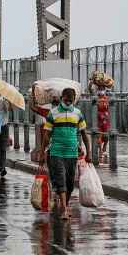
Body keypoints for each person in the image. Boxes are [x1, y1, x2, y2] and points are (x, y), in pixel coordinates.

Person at [41, 87, 91, 220]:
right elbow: (46, 135)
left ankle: (65, 203)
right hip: (57, 152)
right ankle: (64, 208)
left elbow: (84, 134)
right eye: (66, 100)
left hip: (72, 153)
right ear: (62, 98)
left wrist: (88, 152)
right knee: (61, 179)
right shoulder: (53, 113)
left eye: (71, 100)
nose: (68, 102)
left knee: (69, 183)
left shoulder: (78, 114)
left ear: (74, 100)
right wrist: (42, 152)